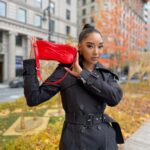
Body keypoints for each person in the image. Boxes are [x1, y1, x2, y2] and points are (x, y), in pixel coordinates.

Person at [23, 24, 124, 150]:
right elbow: (33, 98)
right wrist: (31, 63)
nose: (96, 52)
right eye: (90, 46)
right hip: (76, 140)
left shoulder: (105, 74)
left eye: (100, 46)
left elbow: (114, 98)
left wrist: (83, 75)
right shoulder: (65, 71)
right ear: (79, 47)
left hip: (104, 139)